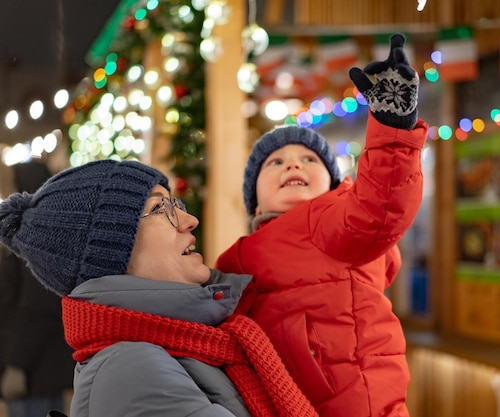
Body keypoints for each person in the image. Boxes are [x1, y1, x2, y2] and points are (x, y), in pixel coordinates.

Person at [0, 159, 318, 417]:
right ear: (112, 254)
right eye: (159, 208)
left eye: (175, 203)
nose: (189, 219)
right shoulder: (133, 371)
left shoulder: (188, 342)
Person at [215, 33, 428, 417]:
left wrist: (393, 132)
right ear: (254, 199)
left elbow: (383, 205)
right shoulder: (235, 257)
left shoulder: (332, 220)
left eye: (309, 160)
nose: (293, 165)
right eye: (275, 162)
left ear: (333, 186)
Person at [0, 161, 74, 417]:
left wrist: (17, 365)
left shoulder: (35, 235)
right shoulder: (35, 231)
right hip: (36, 370)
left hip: (34, 373)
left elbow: (38, 308)